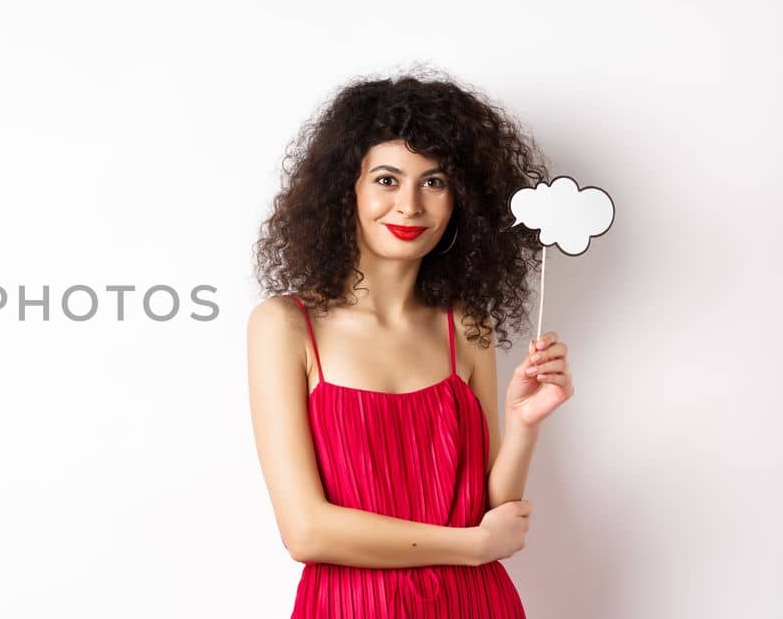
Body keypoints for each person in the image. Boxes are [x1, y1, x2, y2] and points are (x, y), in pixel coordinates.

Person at [245, 69, 576, 618]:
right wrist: (472, 547)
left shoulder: (467, 327)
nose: (410, 206)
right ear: (343, 188)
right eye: (386, 179)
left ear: (461, 201)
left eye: (435, 182)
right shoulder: (285, 326)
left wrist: (522, 425)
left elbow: (492, 511)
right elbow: (306, 532)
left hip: (476, 605)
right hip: (352, 608)